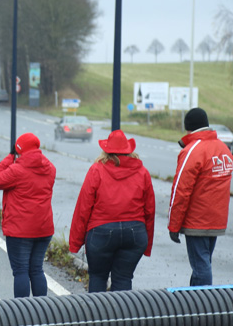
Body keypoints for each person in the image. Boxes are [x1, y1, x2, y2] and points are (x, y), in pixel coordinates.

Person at [69, 130, 155, 292]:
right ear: (129, 150)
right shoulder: (142, 172)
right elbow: (149, 211)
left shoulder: (97, 170)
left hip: (101, 232)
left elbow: (83, 208)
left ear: (106, 151)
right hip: (134, 233)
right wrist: (147, 244)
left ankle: (98, 316)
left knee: (98, 276)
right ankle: (121, 316)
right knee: (123, 278)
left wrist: (76, 242)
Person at [168, 107, 233, 286]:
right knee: (204, 263)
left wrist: (173, 225)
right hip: (217, 220)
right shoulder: (224, 149)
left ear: (188, 127)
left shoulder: (193, 151)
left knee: (201, 267)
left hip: (197, 221)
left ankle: (203, 307)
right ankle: (197, 302)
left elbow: (181, 190)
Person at [0, 133, 55, 298]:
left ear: (19, 151)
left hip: (20, 231)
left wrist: (10, 157)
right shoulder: (50, 169)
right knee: (37, 269)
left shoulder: (16, 170)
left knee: (21, 272)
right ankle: (43, 311)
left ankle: (23, 315)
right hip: (43, 229)